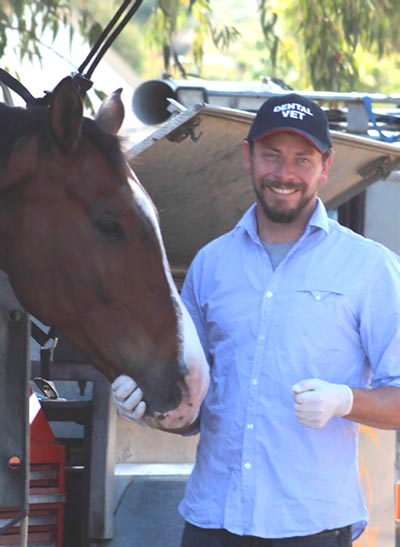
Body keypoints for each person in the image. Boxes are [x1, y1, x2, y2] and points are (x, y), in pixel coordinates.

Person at [112, 93, 400, 547]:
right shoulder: (211, 265)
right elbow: (195, 408)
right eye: (271, 156)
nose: (284, 174)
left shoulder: (370, 269)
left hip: (312, 526)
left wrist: (345, 400)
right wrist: (154, 407)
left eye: (302, 160)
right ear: (248, 159)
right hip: (213, 520)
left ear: (325, 167)